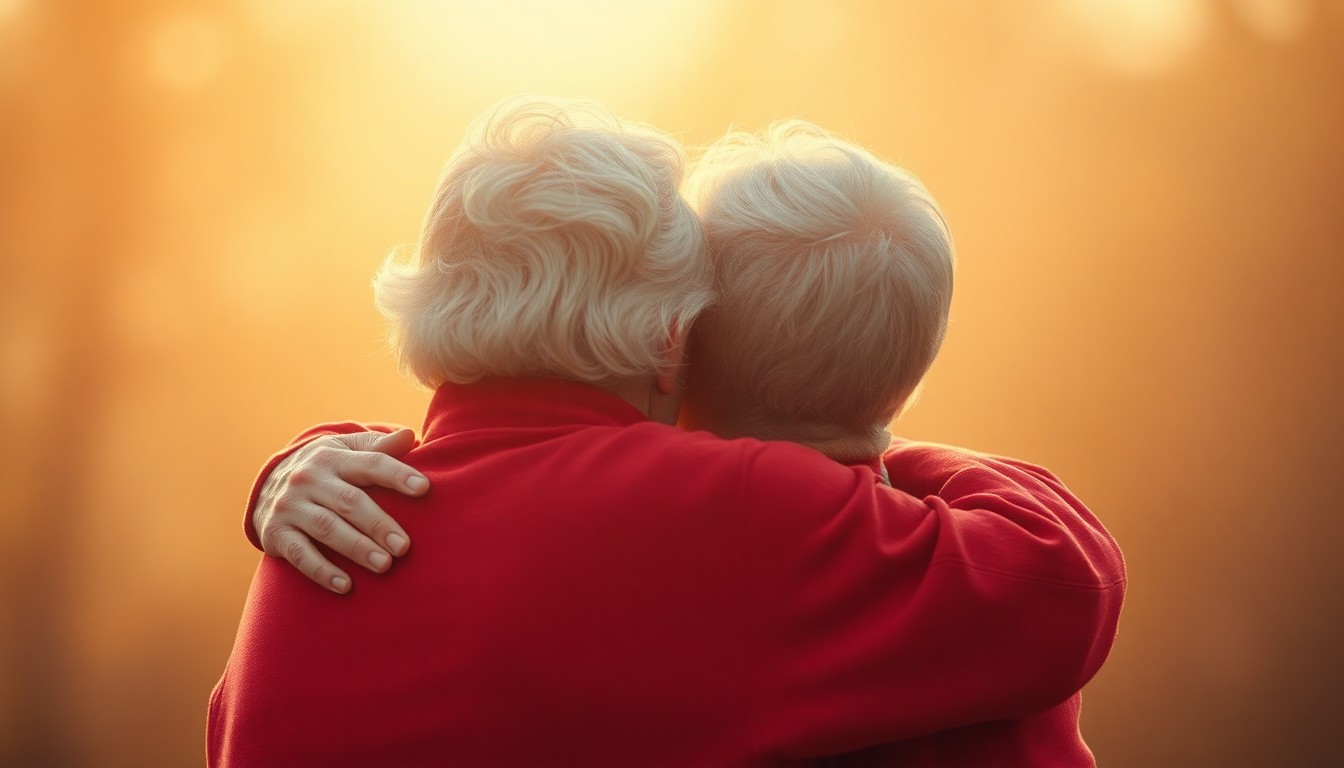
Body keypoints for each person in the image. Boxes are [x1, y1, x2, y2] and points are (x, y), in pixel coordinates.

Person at [211, 98, 1124, 767]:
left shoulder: (317, 529)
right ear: (667, 336)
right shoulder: (708, 505)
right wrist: (873, 451)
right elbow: (1053, 580)